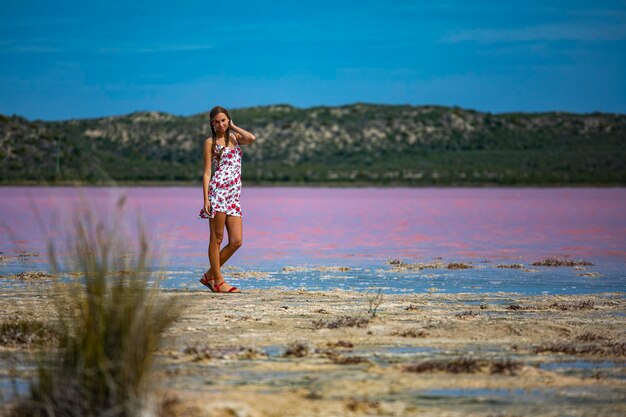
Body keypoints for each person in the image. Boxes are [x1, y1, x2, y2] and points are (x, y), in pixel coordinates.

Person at [199, 106, 256, 293]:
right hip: (218, 192)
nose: (220, 124)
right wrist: (206, 199)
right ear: (212, 124)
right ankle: (219, 282)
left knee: (236, 241)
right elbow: (207, 172)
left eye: (223, 120)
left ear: (228, 120)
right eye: (216, 122)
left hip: (233, 195)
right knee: (216, 238)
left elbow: (252, 138)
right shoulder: (210, 142)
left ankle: (209, 275)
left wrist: (234, 127)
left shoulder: (235, 138)